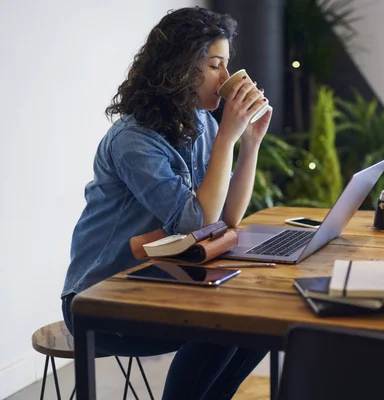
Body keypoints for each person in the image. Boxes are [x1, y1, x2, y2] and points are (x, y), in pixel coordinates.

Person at [61, 6, 271, 399]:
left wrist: (250, 141)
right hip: (101, 298)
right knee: (226, 325)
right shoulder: (133, 139)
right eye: (214, 65)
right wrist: (227, 136)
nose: (225, 78)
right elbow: (195, 223)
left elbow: (226, 219)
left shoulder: (204, 123)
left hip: (163, 280)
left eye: (227, 65)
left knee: (261, 321)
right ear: (179, 67)